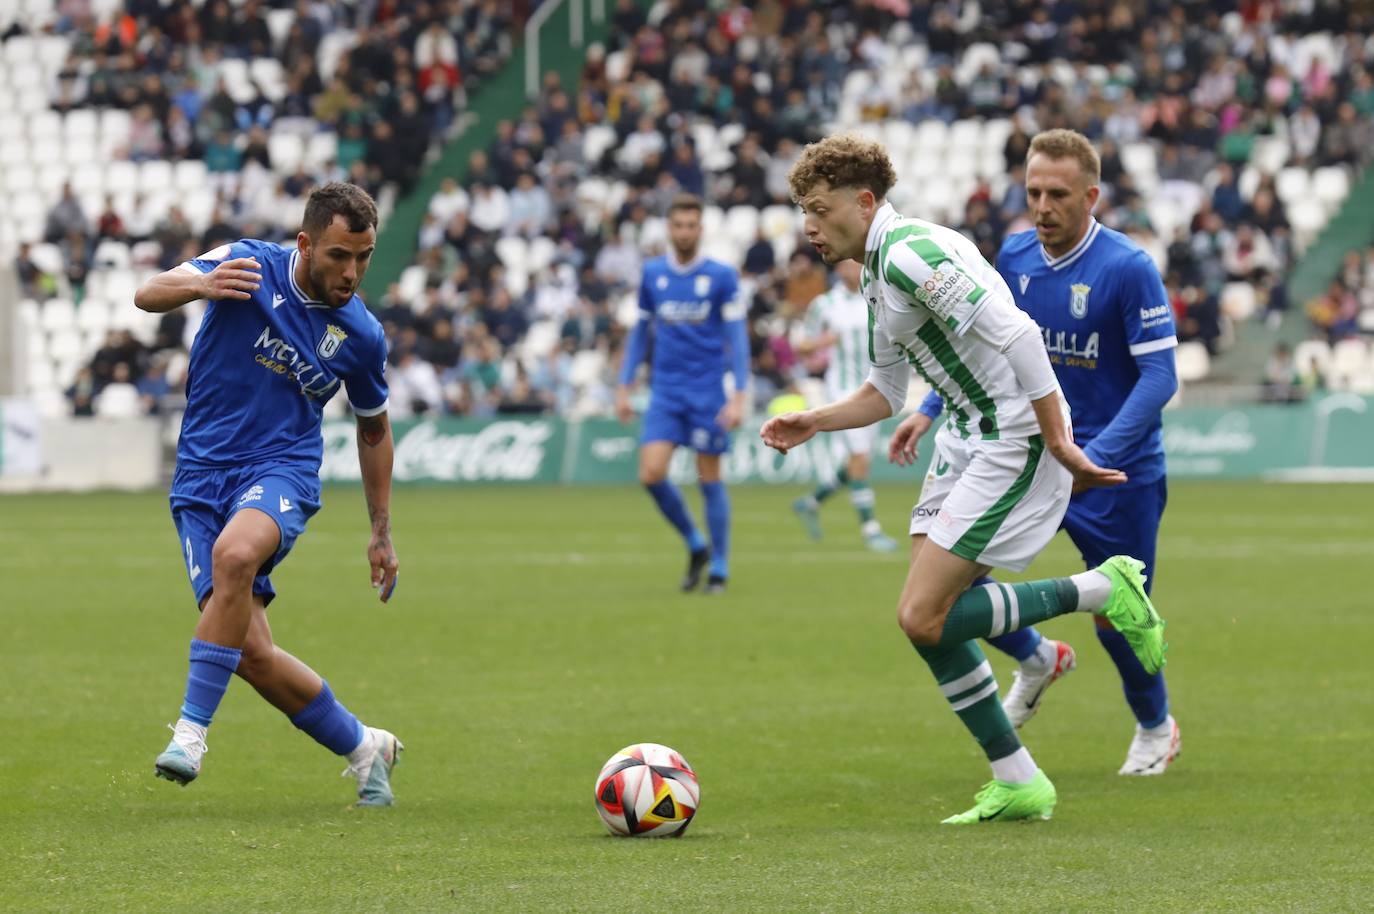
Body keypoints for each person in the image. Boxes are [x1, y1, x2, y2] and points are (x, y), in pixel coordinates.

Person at [762, 134, 1167, 824]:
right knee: (931, 624)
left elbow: (1018, 335)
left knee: (923, 615)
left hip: (1012, 436)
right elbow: (885, 393)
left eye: (820, 210)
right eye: (804, 212)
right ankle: (1018, 778)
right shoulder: (875, 270)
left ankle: (1104, 587)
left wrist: (1057, 438)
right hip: (965, 436)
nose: (809, 227)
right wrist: (816, 420)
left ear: (863, 203)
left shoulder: (915, 253)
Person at [892, 129, 1183, 776]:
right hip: (1025, 454)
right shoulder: (1014, 255)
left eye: (1058, 194)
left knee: (1121, 621)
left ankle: (1155, 725)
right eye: (1033, 192)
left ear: (1092, 196)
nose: (1042, 206)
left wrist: (1091, 457)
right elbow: (981, 347)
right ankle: (1037, 657)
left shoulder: (1127, 268)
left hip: (1112, 471)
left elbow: (1161, 378)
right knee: (952, 585)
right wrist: (929, 409)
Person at [133, 183, 403, 806]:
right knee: (250, 651)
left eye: (363, 257)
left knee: (235, 556)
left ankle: (191, 733)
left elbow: (374, 429)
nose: (352, 272)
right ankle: (365, 747)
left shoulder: (361, 334)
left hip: (282, 471)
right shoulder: (248, 264)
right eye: (339, 255)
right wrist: (201, 284)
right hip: (200, 477)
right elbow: (147, 293)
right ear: (305, 244)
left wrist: (381, 530)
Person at [615, 194, 748, 594]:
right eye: (678, 225)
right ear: (669, 229)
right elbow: (640, 333)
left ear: (700, 229)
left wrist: (739, 393)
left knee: (709, 478)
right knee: (651, 473)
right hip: (665, 391)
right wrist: (624, 384)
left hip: (707, 391)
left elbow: (737, 338)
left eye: (692, 225)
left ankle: (720, 568)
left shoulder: (721, 276)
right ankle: (695, 543)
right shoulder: (653, 274)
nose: (685, 232)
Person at [790, 259, 899, 552]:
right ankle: (870, 529)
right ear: (838, 270)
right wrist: (824, 341)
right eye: (847, 266)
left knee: (855, 461)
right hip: (840, 390)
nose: (853, 270)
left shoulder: (877, 293)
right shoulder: (825, 304)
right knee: (860, 458)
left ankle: (811, 503)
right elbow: (801, 346)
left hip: (874, 387)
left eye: (857, 265)